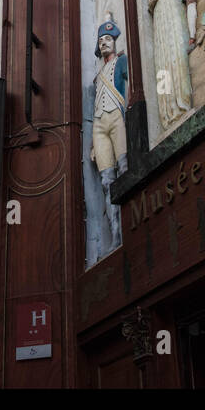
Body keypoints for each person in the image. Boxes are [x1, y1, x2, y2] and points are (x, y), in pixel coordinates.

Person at [147, 0, 193, 128]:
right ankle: (168, 110)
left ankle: (183, 101)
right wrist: (150, 3)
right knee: (163, 57)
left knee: (178, 48)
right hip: (159, 11)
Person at [89, 16, 128, 246]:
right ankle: (116, 234)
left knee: (123, 168)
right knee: (106, 181)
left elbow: (129, 86)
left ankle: (127, 229)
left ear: (114, 41)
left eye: (108, 39)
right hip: (99, 123)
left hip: (116, 117)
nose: (104, 43)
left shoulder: (121, 62)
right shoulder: (97, 77)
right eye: (101, 40)